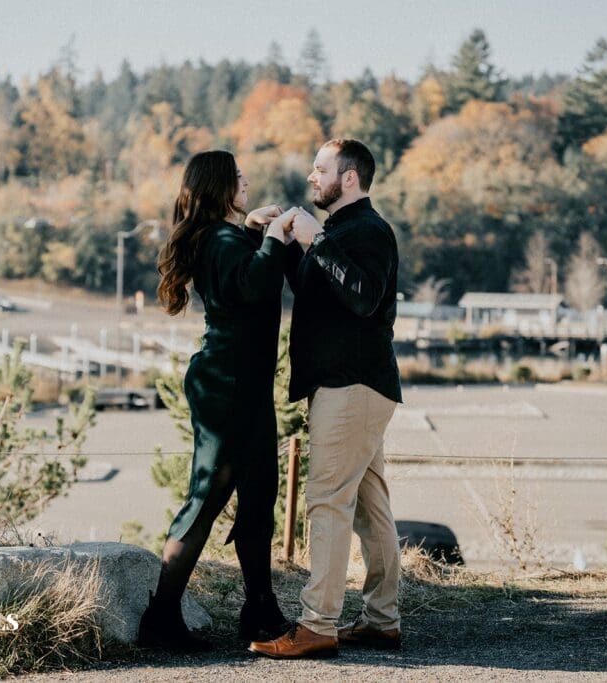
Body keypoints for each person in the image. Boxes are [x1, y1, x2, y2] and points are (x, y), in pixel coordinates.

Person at [250, 139, 403, 659]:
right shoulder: (337, 232)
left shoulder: (370, 231)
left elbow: (362, 297)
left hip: (352, 385)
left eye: (321, 169)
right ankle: (382, 620)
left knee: (326, 503)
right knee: (369, 504)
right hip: (353, 386)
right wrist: (273, 236)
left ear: (351, 178)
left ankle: (318, 624)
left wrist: (317, 243)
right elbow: (313, 289)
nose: (311, 177)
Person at [139, 150, 297, 651]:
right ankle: (161, 620)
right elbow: (248, 288)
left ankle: (261, 611)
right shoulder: (220, 239)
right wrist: (271, 238)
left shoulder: (224, 236)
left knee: (259, 496)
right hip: (226, 387)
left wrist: (253, 230)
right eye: (237, 175)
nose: (246, 178)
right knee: (207, 497)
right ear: (218, 187)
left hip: (242, 385)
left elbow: (240, 275)